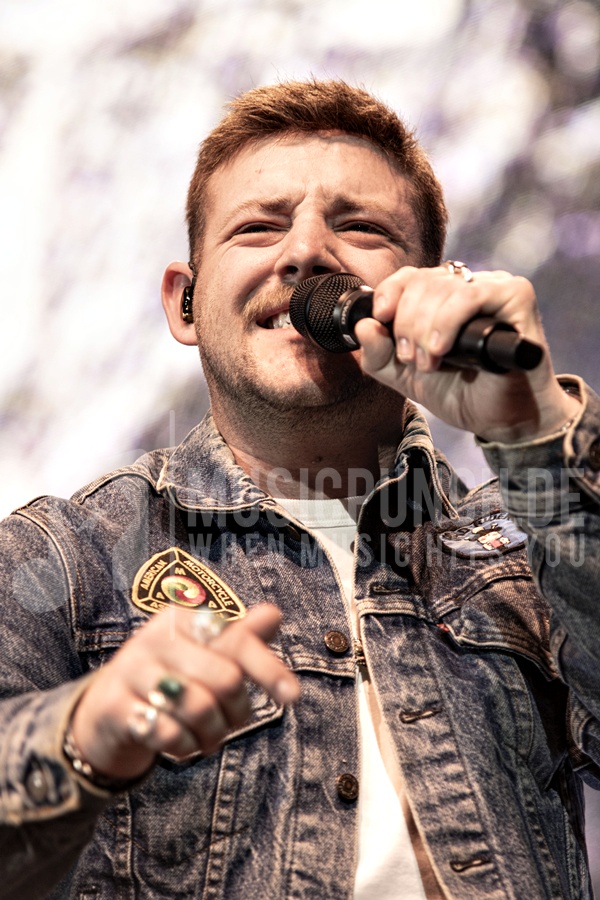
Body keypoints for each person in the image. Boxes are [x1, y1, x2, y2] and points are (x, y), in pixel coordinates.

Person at [1, 79, 598, 899]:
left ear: (430, 293)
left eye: (361, 228)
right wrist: (86, 732)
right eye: (259, 226)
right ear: (184, 303)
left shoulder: (526, 549)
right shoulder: (66, 557)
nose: (307, 252)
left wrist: (536, 434)